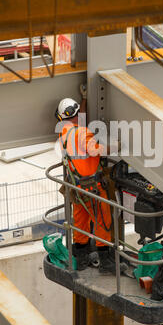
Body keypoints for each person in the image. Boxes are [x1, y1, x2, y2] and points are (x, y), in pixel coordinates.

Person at [56, 83, 127, 275]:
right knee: (103, 220)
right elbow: (96, 150)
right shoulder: (82, 133)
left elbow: (78, 122)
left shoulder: (64, 133)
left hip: (77, 189)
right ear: (76, 115)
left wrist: (84, 99)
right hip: (93, 187)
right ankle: (105, 262)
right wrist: (120, 145)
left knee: (80, 221)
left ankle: (82, 258)